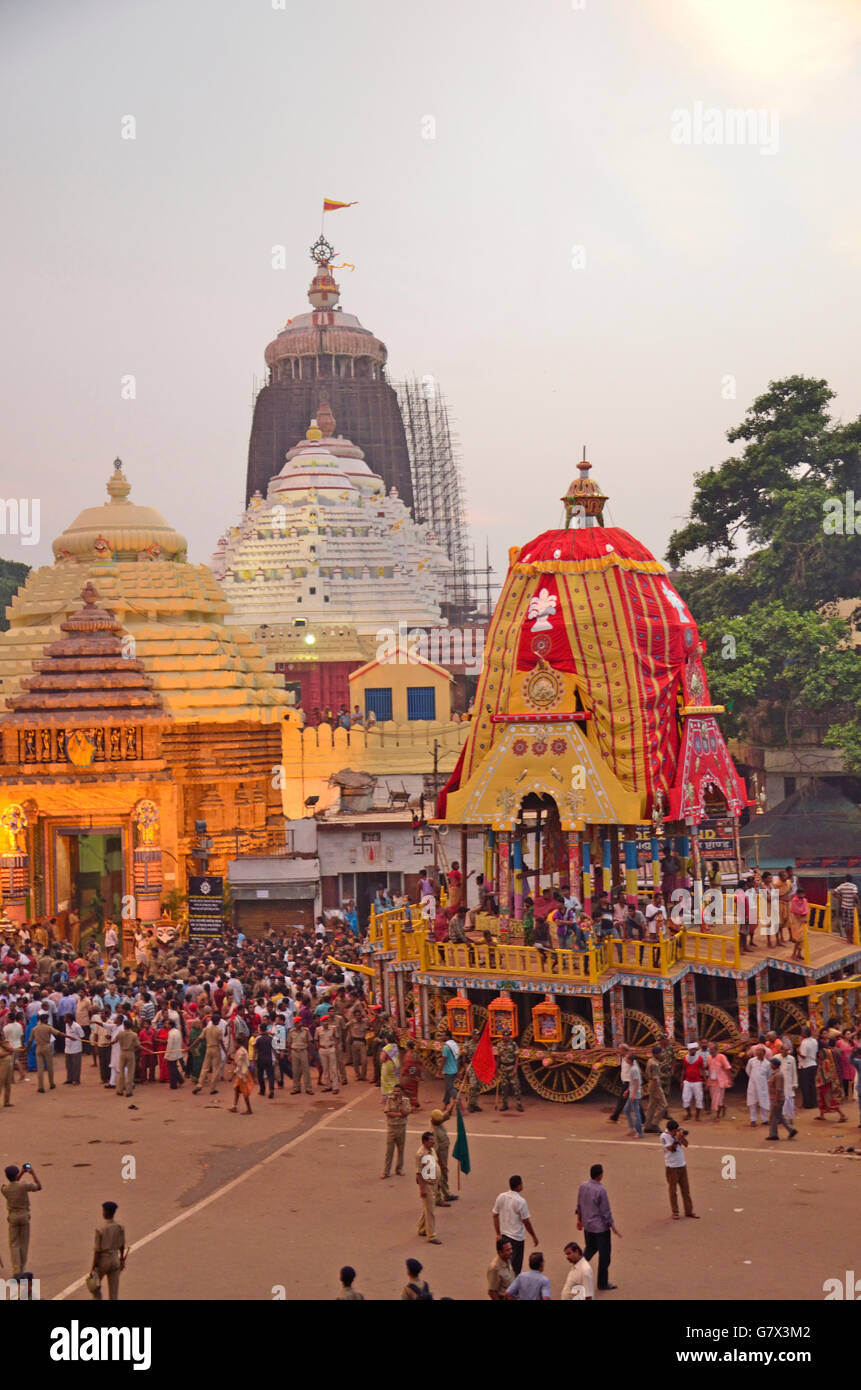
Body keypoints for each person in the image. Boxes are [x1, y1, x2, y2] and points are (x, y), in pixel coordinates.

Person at [575, 1163, 620, 1291]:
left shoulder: (583, 1186)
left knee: (590, 1248)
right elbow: (605, 1211)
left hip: (588, 1226)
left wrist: (579, 1220)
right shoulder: (601, 1190)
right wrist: (612, 1226)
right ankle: (602, 1282)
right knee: (604, 1255)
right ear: (600, 1175)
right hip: (600, 1229)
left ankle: (577, 1269)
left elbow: (579, 1205)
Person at [492, 1174, 538, 1276]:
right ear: (519, 1186)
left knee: (505, 1264)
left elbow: (495, 1215)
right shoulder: (521, 1202)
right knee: (515, 1268)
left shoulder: (501, 1197)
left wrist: (498, 1233)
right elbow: (526, 1221)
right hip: (517, 1239)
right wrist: (534, 1236)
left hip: (504, 1236)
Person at [2, 1162, 41, 1276]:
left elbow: (13, 1183)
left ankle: (16, 1269)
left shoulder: (4, 1189)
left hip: (13, 1217)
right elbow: (38, 1186)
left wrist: (20, 1174)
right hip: (24, 1216)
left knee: (14, 1244)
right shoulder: (23, 1186)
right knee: (24, 1243)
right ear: (16, 1174)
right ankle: (22, 1268)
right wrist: (32, 1173)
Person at [89, 1200, 128, 1300]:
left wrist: (93, 1268)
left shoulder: (100, 1229)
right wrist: (122, 1260)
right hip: (115, 1259)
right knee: (114, 1293)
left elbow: (97, 1251)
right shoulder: (119, 1227)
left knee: (94, 1287)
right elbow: (122, 1245)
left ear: (105, 1212)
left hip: (103, 1260)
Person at [660, 1119, 698, 1220]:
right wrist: (676, 1139)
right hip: (671, 1167)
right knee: (673, 1191)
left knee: (686, 1190)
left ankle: (689, 1211)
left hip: (682, 1164)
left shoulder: (676, 1134)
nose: (675, 1132)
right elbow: (672, 1149)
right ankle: (675, 1212)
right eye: (674, 1131)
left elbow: (686, 1144)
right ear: (670, 1130)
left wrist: (682, 1137)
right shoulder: (664, 1136)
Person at [415, 1131, 442, 1244]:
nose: (433, 1141)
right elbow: (419, 1173)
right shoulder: (420, 1154)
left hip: (434, 1183)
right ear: (425, 1141)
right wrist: (422, 1189)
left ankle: (422, 1228)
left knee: (427, 1207)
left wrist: (438, 1181)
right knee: (431, 1211)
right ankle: (431, 1235)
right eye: (431, 1140)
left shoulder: (432, 1150)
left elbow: (436, 1164)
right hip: (427, 1185)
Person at [381, 1085, 412, 1179]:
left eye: (398, 1091)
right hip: (391, 1128)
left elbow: (406, 1113)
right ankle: (386, 1171)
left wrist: (400, 1104)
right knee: (389, 1151)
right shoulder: (389, 1100)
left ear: (401, 1092)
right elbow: (387, 1113)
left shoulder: (406, 1101)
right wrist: (399, 1114)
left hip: (401, 1128)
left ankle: (399, 1169)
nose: (396, 1093)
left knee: (401, 1150)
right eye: (395, 1091)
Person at [430, 1101, 458, 1203]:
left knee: (444, 1174)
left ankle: (446, 1193)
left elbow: (447, 1114)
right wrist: (441, 1164)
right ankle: (438, 1198)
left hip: (444, 1153)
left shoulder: (438, 1122)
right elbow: (436, 1150)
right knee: (440, 1175)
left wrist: (453, 1104)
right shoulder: (434, 1131)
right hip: (439, 1156)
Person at [765, 1054, 797, 1140]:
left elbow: (778, 1089)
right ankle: (791, 1130)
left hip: (777, 1099)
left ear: (774, 1065)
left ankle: (773, 1134)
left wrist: (775, 1101)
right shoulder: (775, 1074)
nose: (770, 1065)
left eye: (772, 1064)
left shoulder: (778, 1075)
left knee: (774, 1117)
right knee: (779, 1116)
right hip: (776, 1098)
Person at [815, 1038, 847, 1123]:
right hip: (822, 1084)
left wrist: (820, 1081)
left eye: (820, 1054)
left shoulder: (826, 1063)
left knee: (830, 1100)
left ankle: (842, 1115)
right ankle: (822, 1115)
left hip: (825, 1084)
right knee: (822, 1100)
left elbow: (827, 1076)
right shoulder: (824, 1061)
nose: (819, 1056)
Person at [193, 1015, 226, 1095]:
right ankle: (212, 1088)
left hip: (208, 1049)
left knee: (205, 1068)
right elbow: (221, 1042)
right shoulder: (218, 1030)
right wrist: (225, 1051)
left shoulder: (206, 1029)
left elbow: (198, 1039)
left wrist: (190, 1046)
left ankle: (199, 1084)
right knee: (216, 1069)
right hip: (216, 1049)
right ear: (217, 1021)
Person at [644, 1044, 671, 1133]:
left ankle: (647, 1126)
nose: (662, 1054)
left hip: (650, 1084)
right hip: (655, 1085)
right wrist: (656, 1091)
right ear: (656, 1054)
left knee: (651, 1106)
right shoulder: (655, 1064)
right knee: (664, 1105)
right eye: (660, 1053)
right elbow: (655, 1078)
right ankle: (654, 1124)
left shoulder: (650, 1061)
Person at [706, 1040, 732, 1121]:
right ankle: (723, 1107)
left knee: (718, 1099)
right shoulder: (709, 1058)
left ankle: (717, 1116)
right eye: (709, 1049)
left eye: (711, 1049)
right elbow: (709, 1070)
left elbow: (727, 1068)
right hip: (712, 1081)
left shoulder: (722, 1057)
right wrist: (707, 1082)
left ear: (716, 1050)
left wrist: (730, 1080)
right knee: (714, 1099)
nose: (710, 1051)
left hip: (721, 1081)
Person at [497, 1035, 523, 1112]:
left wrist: (515, 1069)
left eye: (507, 1036)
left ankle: (519, 1104)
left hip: (511, 1068)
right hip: (503, 1068)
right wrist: (497, 1069)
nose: (505, 1037)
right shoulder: (499, 1045)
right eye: (504, 1036)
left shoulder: (513, 1044)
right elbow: (498, 1057)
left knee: (516, 1087)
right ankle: (504, 1105)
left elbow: (517, 1057)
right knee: (504, 1087)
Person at [745, 1044, 770, 1125]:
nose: (757, 1052)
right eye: (756, 1050)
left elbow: (769, 1075)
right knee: (752, 1102)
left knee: (764, 1101)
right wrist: (754, 1078)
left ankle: (765, 1119)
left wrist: (761, 1079)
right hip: (752, 1084)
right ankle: (753, 1120)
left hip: (763, 1085)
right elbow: (748, 1071)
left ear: (763, 1052)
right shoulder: (751, 1061)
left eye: (759, 1050)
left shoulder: (767, 1063)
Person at [681, 1041, 706, 1120]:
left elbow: (702, 1069)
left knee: (699, 1098)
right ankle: (689, 1114)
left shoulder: (700, 1058)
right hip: (687, 1081)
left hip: (697, 1081)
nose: (693, 1051)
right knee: (685, 1098)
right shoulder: (685, 1058)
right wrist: (681, 1081)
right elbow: (683, 1070)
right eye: (692, 1049)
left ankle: (697, 1115)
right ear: (689, 1050)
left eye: (694, 1049)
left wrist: (705, 1080)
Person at [608, 1043, 632, 1123]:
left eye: (619, 1049)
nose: (618, 1051)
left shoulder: (629, 1059)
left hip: (629, 1083)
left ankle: (614, 1117)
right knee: (630, 1101)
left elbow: (634, 1071)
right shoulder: (624, 1058)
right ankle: (614, 1117)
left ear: (624, 1050)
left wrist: (630, 1087)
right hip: (626, 1082)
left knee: (622, 1100)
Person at [289, 1017, 314, 1095]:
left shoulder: (306, 1031)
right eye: (298, 1022)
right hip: (294, 1052)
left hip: (303, 1051)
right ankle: (296, 1088)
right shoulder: (291, 1031)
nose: (300, 1023)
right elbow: (289, 1043)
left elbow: (309, 1043)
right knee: (295, 1071)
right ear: (295, 1024)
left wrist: (310, 1054)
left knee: (306, 1070)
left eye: (300, 1022)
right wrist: (289, 1054)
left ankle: (308, 1088)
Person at [315, 1014, 339, 1095]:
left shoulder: (333, 1028)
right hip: (322, 1049)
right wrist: (318, 1048)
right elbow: (316, 1040)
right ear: (322, 1022)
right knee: (325, 1068)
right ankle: (328, 1086)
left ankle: (335, 1087)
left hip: (331, 1048)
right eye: (324, 1021)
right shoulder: (318, 1029)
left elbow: (337, 1038)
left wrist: (335, 1046)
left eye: (327, 1020)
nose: (326, 1022)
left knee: (333, 1068)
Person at [797, 1025, 818, 1109]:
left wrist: (797, 1051)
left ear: (805, 1034)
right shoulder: (814, 1041)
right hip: (813, 1064)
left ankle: (807, 1104)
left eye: (802, 1032)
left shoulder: (804, 1042)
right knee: (812, 1085)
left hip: (805, 1066)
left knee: (805, 1085)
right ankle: (814, 1102)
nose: (801, 1033)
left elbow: (803, 1055)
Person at [780, 1040, 800, 1128]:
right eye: (785, 1050)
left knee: (790, 1102)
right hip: (780, 1084)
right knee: (781, 1101)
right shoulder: (776, 1058)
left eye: (788, 1050)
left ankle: (791, 1118)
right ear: (781, 1050)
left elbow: (794, 1072)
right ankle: (782, 1118)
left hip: (789, 1084)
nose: (787, 1051)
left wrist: (795, 1083)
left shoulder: (791, 1059)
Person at [230, 1043, 254, 1115]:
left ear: (238, 1043)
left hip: (242, 1074)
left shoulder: (240, 1052)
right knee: (237, 1089)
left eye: (235, 1043)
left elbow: (239, 1065)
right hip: (243, 1072)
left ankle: (249, 1109)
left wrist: (232, 1075)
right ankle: (234, 1106)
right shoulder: (243, 1050)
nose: (234, 1045)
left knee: (244, 1092)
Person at [834, 874, 859, 939]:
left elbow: (834, 893)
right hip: (851, 907)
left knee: (846, 923)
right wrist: (856, 902)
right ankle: (851, 938)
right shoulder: (853, 886)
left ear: (845, 879)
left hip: (844, 906)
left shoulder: (842, 886)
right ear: (851, 879)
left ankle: (848, 938)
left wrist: (840, 899)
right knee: (851, 924)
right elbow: (854, 895)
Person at [625, 1055, 644, 1138]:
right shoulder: (633, 1068)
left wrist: (632, 1094)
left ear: (630, 1060)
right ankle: (632, 1128)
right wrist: (628, 1091)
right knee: (626, 1110)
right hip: (632, 1093)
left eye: (626, 1058)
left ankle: (639, 1133)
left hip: (635, 1095)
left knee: (636, 1114)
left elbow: (636, 1083)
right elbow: (633, 1083)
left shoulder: (634, 1069)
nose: (625, 1059)